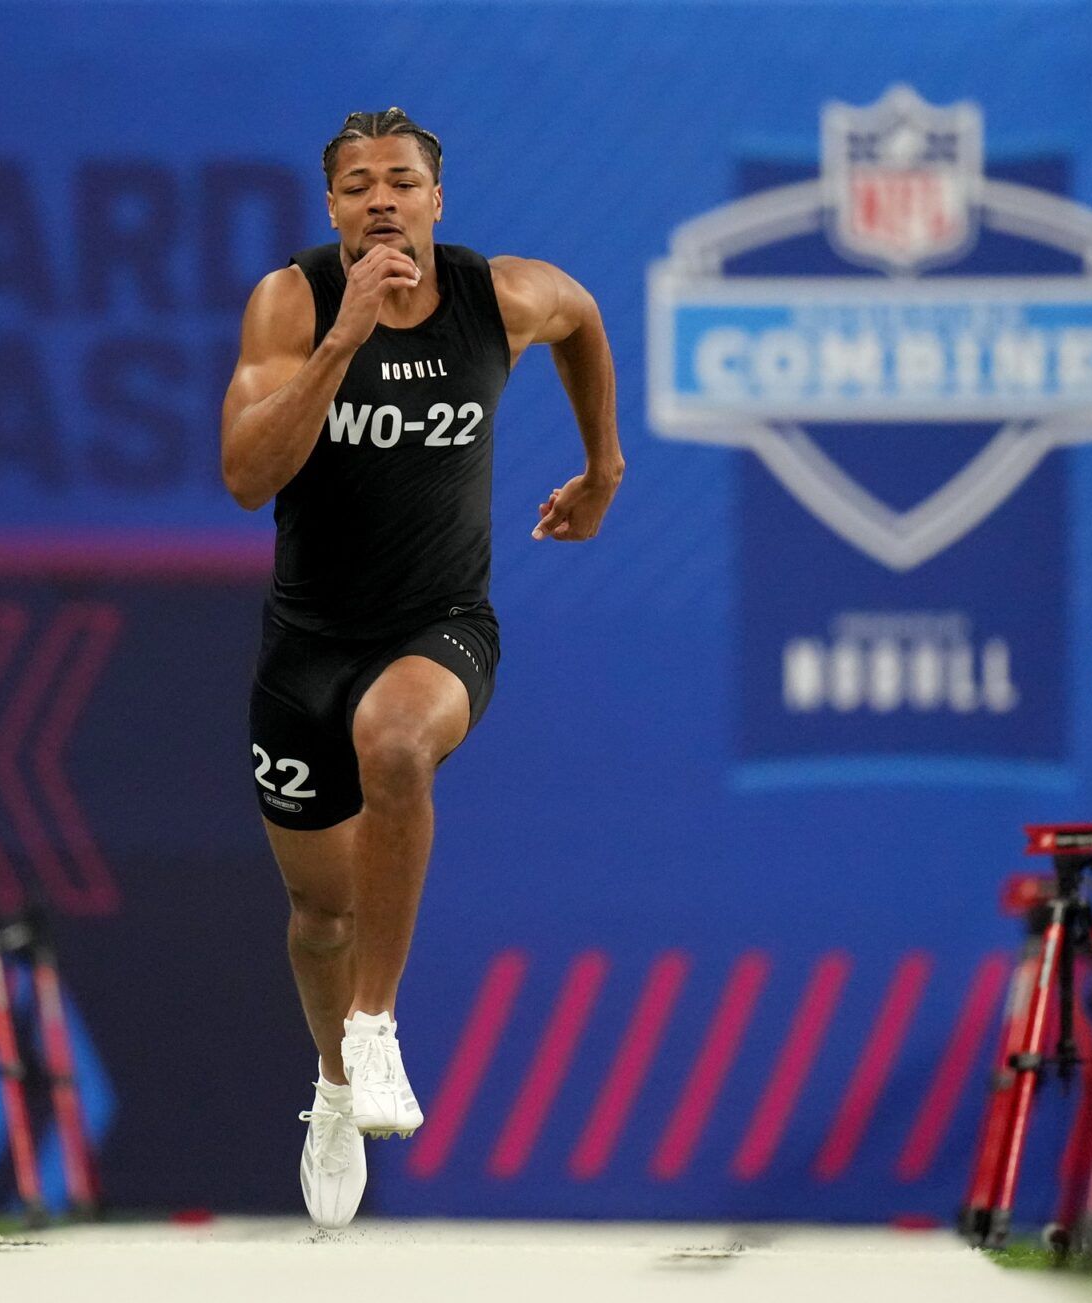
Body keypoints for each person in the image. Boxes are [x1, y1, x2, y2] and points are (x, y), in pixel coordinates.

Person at [219, 107, 624, 1228]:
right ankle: (337, 1086)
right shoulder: (292, 303)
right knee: (319, 920)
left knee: (394, 741)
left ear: (438, 201)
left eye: (402, 181)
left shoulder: (499, 295)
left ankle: (377, 1025)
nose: (382, 199)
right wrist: (343, 342)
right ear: (334, 209)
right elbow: (248, 478)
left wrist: (604, 466)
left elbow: (584, 317)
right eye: (358, 186)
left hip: (441, 624)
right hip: (305, 647)